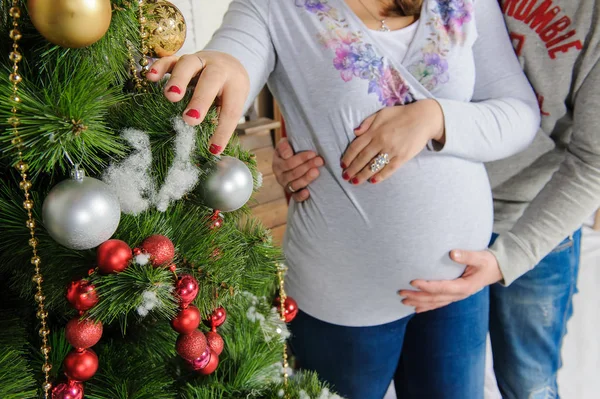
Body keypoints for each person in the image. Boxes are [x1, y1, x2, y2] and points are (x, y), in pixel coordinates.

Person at [148, 0, 540, 397]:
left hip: (457, 286)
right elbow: (236, 53)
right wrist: (222, 66)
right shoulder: (272, 7)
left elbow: (520, 114)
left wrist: (434, 118)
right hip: (342, 299)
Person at [273, 1, 600, 398]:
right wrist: (303, 145)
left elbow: (593, 161)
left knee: (529, 380)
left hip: (532, 212)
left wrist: (510, 258)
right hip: (419, 235)